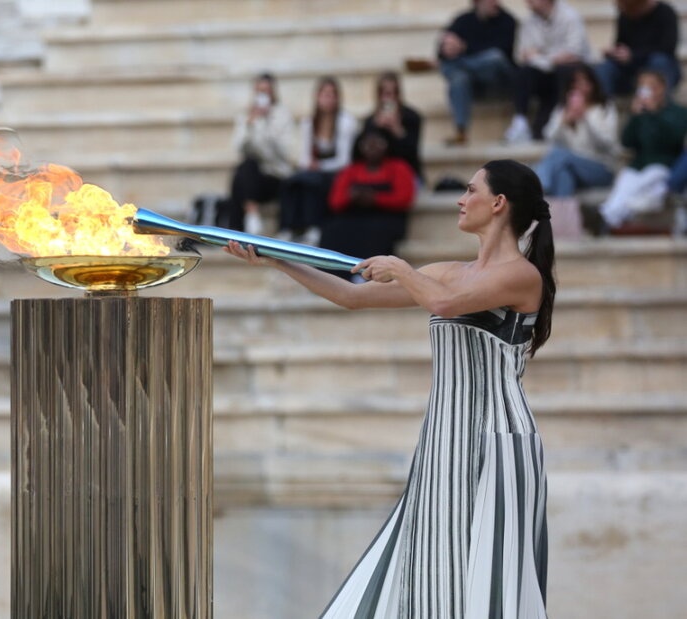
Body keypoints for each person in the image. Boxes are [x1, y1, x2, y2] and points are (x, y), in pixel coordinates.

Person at [226, 159, 555, 618]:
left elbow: (445, 303)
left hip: (498, 440)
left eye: (470, 190)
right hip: (443, 439)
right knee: (431, 568)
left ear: (498, 203)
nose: (461, 200)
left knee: (490, 576)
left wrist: (401, 268)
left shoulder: (521, 275)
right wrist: (278, 259)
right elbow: (352, 296)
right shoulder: (447, 271)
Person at [535, 64, 619, 236]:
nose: (581, 87)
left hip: (601, 168)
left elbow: (607, 143)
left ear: (593, 84)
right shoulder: (563, 109)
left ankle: (539, 184)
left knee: (560, 155)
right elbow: (548, 136)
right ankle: (561, 226)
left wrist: (585, 118)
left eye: (585, 82)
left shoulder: (605, 107)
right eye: (576, 83)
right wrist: (564, 121)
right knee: (563, 174)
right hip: (573, 167)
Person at [321, 129, 417, 278]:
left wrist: (375, 198)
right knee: (333, 230)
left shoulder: (398, 167)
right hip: (354, 216)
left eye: (378, 143)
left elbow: (404, 198)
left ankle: (368, 276)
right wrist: (352, 197)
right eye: (367, 143)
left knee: (376, 232)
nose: (372, 147)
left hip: (387, 216)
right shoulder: (351, 170)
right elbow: (335, 202)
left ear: (388, 144)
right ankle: (335, 276)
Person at [598, 70, 687, 230]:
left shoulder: (679, 112)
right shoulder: (640, 114)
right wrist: (635, 116)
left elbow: (673, 139)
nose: (648, 92)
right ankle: (608, 217)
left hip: (664, 165)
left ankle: (611, 217)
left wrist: (654, 113)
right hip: (638, 165)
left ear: (663, 88)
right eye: (643, 87)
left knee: (651, 177)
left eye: (652, 87)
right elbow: (627, 142)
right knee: (625, 184)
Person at [277, 76, 357, 245]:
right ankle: (288, 227)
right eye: (324, 94)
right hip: (314, 171)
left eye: (331, 95)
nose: (328, 99)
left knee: (312, 182)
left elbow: (344, 160)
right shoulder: (309, 122)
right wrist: (310, 165)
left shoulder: (345, 122)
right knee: (292, 181)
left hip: (336, 172)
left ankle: (313, 227)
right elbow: (305, 156)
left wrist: (320, 165)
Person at [505, 0, 591, 142]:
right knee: (524, 73)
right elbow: (521, 55)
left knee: (563, 71)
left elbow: (574, 52)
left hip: (567, 75)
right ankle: (520, 121)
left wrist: (542, 56)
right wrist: (550, 58)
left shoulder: (570, 16)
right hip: (544, 74)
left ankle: (558, 121)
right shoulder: (528, 21)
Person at [438, 0, 518, 145]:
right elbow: (442, 49)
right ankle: (461, 131)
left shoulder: (507, 21)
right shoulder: (463, 20)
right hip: (475, 83)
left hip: (500, 81)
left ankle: (460, 64)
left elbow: (503, 51)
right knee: (458, 78)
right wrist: (447, 47)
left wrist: (464, 49)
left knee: (494, 57)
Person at [228, 72, 297, 235]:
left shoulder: (283, 115)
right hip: (255, 174)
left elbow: (285, 152)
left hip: (276, 173)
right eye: (259, 91)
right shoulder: (247, 115)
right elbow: (239, 148)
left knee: (241, 175)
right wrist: (250, 125)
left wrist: (268, 123)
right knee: (244, 168)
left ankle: (239, 225)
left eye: (266, 91)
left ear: (273, 93)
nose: (263, 95)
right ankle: (251, 214)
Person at [594, 0, 680, 97]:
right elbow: (621, 43)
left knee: (659, 61)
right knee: (605, 68)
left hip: (658, 67)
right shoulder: (625, 15)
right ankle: (603, 104)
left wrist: (633, 55)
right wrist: (615, 52)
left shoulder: (665, 13)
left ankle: (650, 101)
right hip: (630, 71)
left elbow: (667, 47)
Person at [362, 72, 423, 182]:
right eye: (385, 93)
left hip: (406, 173)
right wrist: (375, 128)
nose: (389, 98)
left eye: (393, 93)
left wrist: (397, 129)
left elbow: (412, 153)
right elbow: (363, 154)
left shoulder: (412, 117)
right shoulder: (370, 121)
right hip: (378, 175)